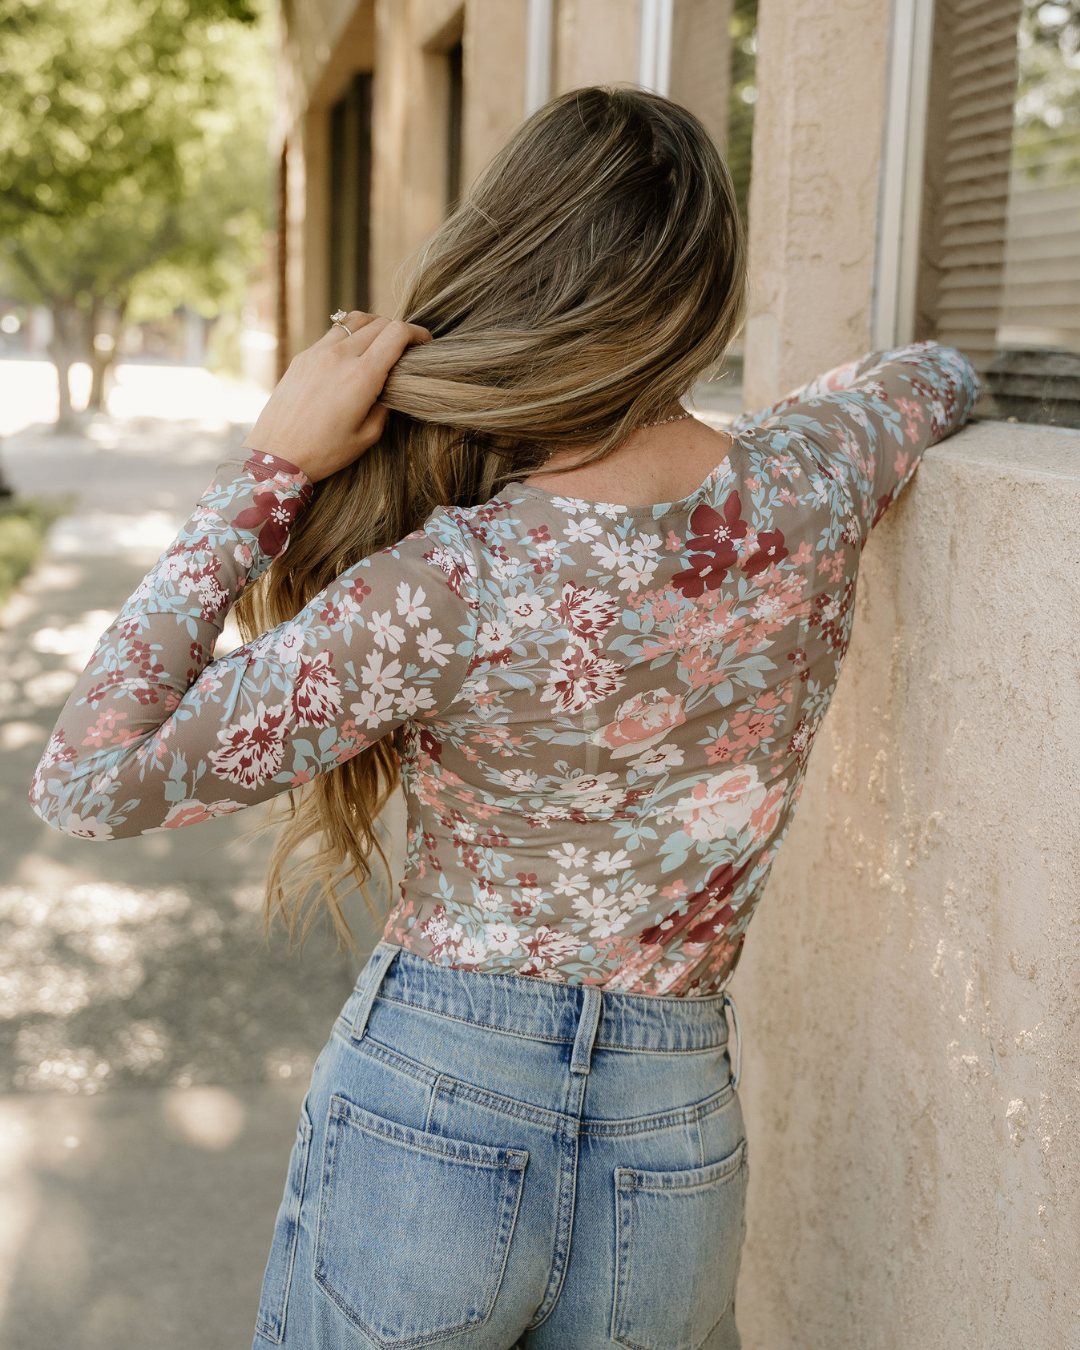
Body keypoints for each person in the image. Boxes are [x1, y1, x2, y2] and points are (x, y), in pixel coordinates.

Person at [31, 87, 977, 1350]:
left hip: (436, 1101)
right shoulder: (814, 484)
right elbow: (937, 373)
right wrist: (774, 429)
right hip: (675, 1127)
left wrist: (270, 476)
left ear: (510, 271)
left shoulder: (451, 586)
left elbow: (91, 778)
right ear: (704, 298)